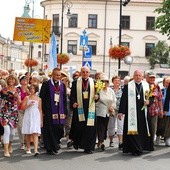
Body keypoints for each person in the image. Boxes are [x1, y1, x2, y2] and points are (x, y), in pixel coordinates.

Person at [118, 69, 154, 155]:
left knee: (142, 129)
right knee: (133, 130)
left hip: (143, 112)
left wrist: (149, 102)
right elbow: (123, 100)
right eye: (136, 75)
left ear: (142, 77)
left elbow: (152, 98)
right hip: (132, 112)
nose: (138, 77)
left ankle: (142, 147)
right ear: (133, 76)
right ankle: (135, 149)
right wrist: (121, 112)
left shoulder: (147, 85)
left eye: (139, 75)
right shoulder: (128, 86)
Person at [69, 66, 97, 154]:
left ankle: (88, 147)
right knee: (79, 127)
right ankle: (77, 142)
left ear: (89, 73)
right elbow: (72, 95)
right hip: (80, 107)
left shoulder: (94, 82)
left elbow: (97, 95)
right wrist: (73, 102)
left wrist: (97, 97)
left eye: (87, 72)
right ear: (81, 73)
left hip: (90, 108)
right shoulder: (75, 82)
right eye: (83, 72)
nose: (85, 74)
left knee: (90, 127)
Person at [39, 68, 67, 155]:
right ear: (52, 75)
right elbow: (41, 98)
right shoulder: (46, 84)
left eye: (59, 75)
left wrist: (65, 111)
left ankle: (56, 142)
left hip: (60, 110)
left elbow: (64, 98)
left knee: (59, 128)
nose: (58, 77)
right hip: (49, 111)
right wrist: (42, 110)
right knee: (49, 129)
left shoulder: (62, 85)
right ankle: (50, 147)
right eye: (56, 75)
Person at [0, 74, 21, 157]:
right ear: (7, 80)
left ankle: (10, 145)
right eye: (9, 79)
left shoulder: (17, 90)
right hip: (4, 111)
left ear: (15, 81)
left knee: (12, 133)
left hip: (13, 112)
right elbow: (1, 101)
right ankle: (5, 150)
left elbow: (19, 103)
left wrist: (17, 97)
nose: (11, 81)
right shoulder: (3, 90)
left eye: (13, 79)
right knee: (6, 131)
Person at [96, 74, 116, 151]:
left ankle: (102, 141)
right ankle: (101, 142)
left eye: (106, 82)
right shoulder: (98, 90)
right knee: (101, 127)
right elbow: (96, 100)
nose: (105, 83)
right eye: (103, 82)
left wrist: (112, 107)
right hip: (100, 111)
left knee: (105, 127)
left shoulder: (111, 91)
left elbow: (114, 101)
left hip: (108, 111)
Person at [21, 84, 43, 156]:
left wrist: (41, 120)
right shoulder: (27, 98)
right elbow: (22, 107)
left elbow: (40, 109)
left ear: (36, 89)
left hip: (35, 116)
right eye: (30, 88)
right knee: (28, 132)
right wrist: (28, 105)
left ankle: (36, 149)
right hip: (28, 115)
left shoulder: (39, 99)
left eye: (33, 88)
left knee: (35, 132)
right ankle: (28, 148)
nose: (31, 90)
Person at [146, 71, 163, 143]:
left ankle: (151, 142)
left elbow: (159, 99)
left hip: (154, 110)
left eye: (153, 77)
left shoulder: (157, 86)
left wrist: (161, 109)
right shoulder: (144, 85)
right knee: (145, 127)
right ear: (146, 77)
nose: (152, 79)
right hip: (145, 110)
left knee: (153, 127)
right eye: (150, 77)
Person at [108, 76, 124, 149]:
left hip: (120, 110)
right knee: (111, 125)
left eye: (118, 80)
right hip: (112, 110)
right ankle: (111, 141)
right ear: (113, 81)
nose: (117, 82)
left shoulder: (123, 89)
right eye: (115, 80)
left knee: (120, 126)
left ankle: (120, 142)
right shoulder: (110, 90)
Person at [17, 75, 30, 150]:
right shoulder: (18, 89)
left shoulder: (30, 89)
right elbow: (18, 102)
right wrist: (23, 101)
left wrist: (29, 94)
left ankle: (27, 141)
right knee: (20, 125)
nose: (25, 81)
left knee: (27, 125)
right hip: (20, 109)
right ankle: (22, 142)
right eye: (23, 79)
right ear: (20, 81)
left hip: (28, 109)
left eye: (26, 79)